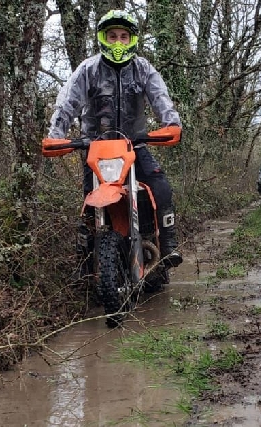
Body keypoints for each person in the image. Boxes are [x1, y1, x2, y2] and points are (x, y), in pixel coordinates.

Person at [47, 9, 183, 269]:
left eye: (123, 36)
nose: (118, 42)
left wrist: (171, 123)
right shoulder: (88, 69)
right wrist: (56, 136)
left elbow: (160, 97)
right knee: (89, 203)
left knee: (161, 187)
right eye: (112, 36)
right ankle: (86, 262)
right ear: (103, 38)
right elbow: (67, 104)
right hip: (97, 148)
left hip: (135, 145)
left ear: (131, 39)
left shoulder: (143, 68)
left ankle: (168, 245)